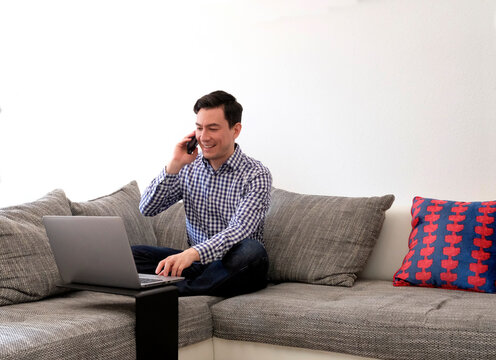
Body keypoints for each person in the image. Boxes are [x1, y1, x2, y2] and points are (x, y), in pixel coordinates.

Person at [132, 90, 272, 297]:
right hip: (198, 265)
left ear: (236, 130)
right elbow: (147, 208)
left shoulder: (256, 174)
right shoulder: (189, 166)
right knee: (130, 255)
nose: (204, 137)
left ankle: (169, 290)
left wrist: (192, 253)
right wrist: (174, 165)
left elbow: (239, 230)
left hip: (233, 262)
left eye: (212, 128)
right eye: (199, 128)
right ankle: (200, 284)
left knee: (252, 252)